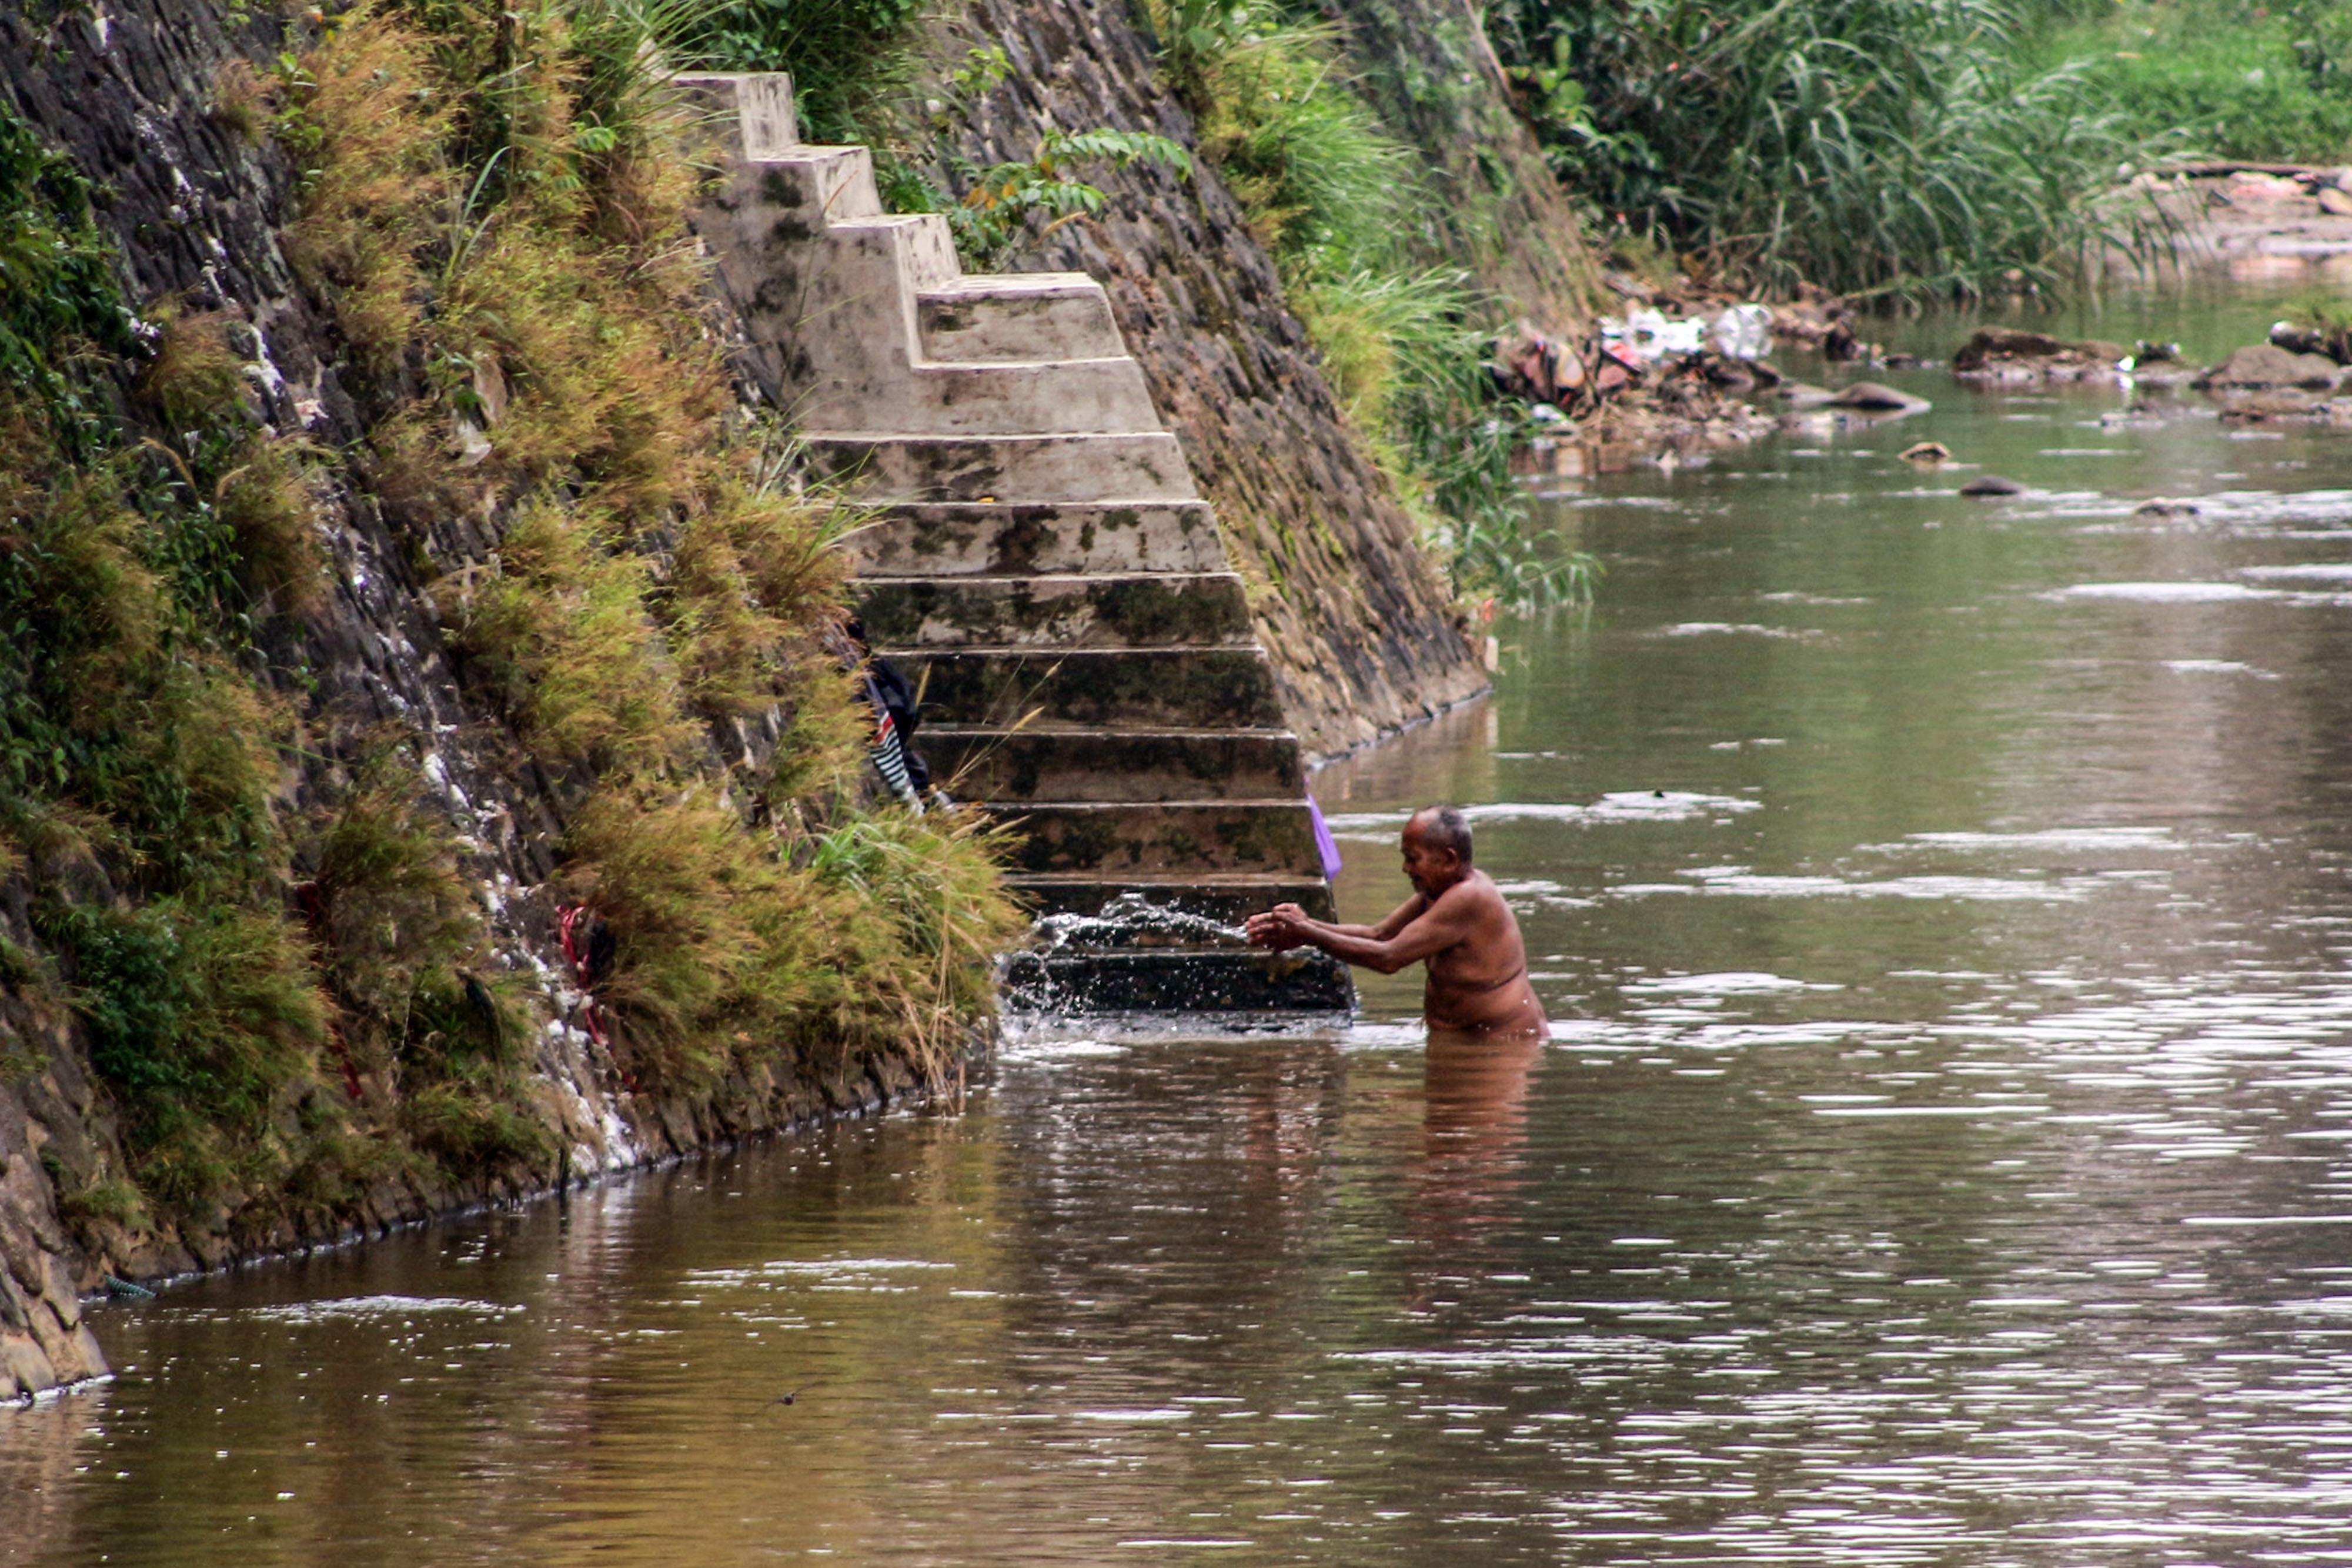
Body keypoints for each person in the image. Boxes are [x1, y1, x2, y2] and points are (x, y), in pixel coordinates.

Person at [1245, 804, 1548, 1039]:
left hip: (1503, 1045)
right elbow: (1380, 935)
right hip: (1464, 1041)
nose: (1406, 868)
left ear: (1449, 860)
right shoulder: (1438, 893)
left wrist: (1309, 934)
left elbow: (1389, 958)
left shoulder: (1470, 897)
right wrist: (1306, 926)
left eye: (1413, 859)